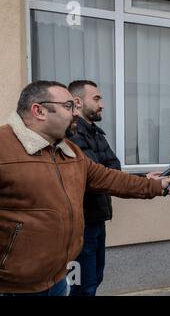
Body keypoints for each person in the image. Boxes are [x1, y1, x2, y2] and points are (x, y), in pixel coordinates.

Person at [0, 81, 170, 296]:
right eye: (68, 106)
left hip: (56, 279)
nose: (75, 113)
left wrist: (155, 185)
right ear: (39, 111)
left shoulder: (69, 150)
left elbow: (109, 178)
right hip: (13, 286)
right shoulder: (4, 148)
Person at [65, 80, 119, 296]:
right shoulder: (73, 136)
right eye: (96, 99)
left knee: (95, 278)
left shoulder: (96, 133)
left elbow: (114, 165)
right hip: (82, 223)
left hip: (98, 218)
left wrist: (105, 171)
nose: (102, 104)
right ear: (77, 102)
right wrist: (105, 172)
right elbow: (95, 176)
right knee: (82, 286)